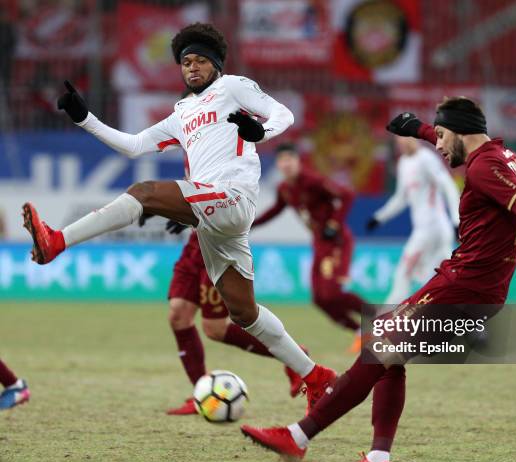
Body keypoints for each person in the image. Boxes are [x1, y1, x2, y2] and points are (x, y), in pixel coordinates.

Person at [240, 97, 516, 462]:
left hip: (464, 286)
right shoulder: (503, 155)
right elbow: (474, 155)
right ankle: (376, 461)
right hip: (477, 287)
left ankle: (298, 436)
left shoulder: (485, 167)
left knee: (379, 347)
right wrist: (419, 129)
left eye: (441, 136)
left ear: (459, 131)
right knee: (389, 356)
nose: (437, 145)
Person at [21, 22, 335, 412]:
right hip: (213, 216)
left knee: (144, 193)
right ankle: (316, 375)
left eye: (201, 60)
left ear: (217, 64)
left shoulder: (232, 87)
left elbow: (282, 113)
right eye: (186, 62)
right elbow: (135, 146)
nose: (192, 67)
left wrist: (261, 132)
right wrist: (86, 119)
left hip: (233, 197)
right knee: (243, 314)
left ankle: (57, 241)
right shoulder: (182, 111)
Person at [147, 219, 305, 415]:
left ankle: (294, 356)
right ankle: (202, 394)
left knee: (215, 329)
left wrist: (192, 215)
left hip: (218, 249)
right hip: (195, 246)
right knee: (178, 315)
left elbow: (227, 201)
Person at [252, 143, 368, 351]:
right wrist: (249, 225)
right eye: (282, 160)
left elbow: (347, 195)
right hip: (319, 243)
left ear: (298, 161)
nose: (286, 164)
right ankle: (361, 331)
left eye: (290, 159)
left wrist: (334, 223)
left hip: (336, 242)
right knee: (319, 299)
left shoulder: (313, 181)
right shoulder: (285, 189)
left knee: (331, 292)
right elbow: (275, 210)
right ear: (278, 164)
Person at [367, 136, 460, 304]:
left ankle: (387, 321)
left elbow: (448, 186)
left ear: (414, 139)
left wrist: (456, 220)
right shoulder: (404, 163)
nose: (402, 144)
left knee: (404, 274)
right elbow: (401, 198)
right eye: (398, 141)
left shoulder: (426, 158)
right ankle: (465, 325)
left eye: (405, 139)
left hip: (434, 229)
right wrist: (379, 218)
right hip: (427, 232)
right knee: (440, 283)